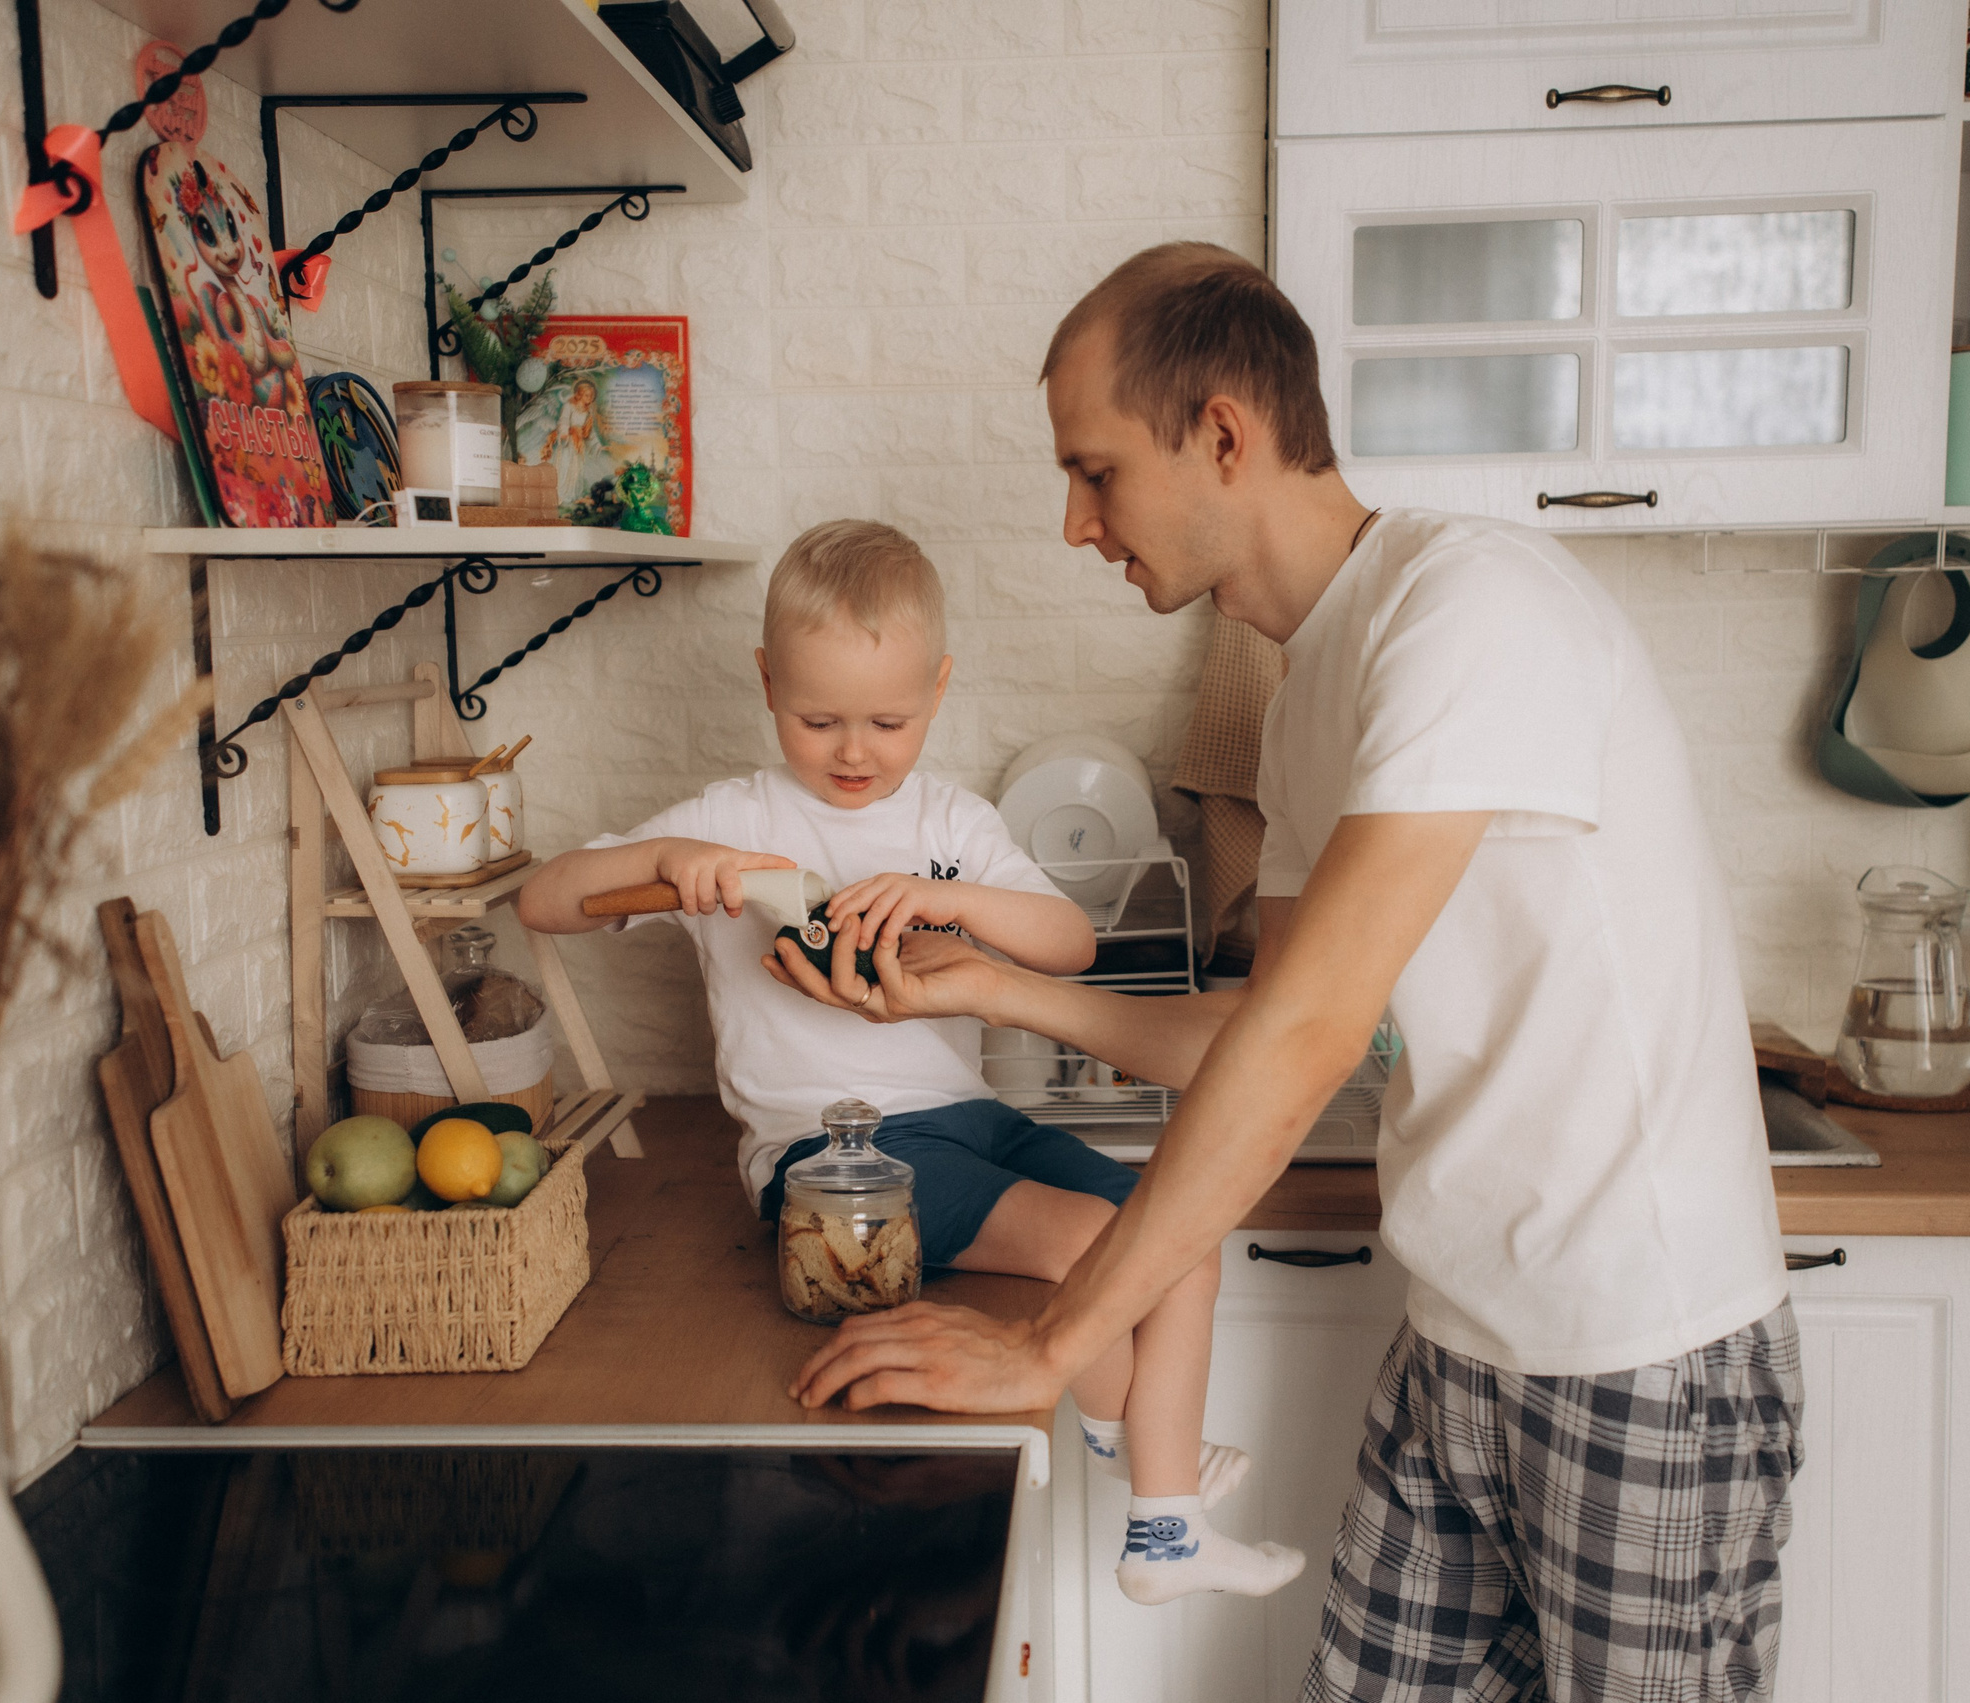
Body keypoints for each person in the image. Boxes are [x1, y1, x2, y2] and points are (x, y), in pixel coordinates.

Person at [767, 247, 1804, 1702]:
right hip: (1465, 1330)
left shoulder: (1468, 609)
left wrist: (1060, 1340)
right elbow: (1268, 1018)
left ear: (1223, 436)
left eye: (1096, 471)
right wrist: (983, 986)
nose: (1074, 524)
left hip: (1638, 1342)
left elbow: (1311, 1034)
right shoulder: (1318, 689)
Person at [516, 518, 1306, 1604]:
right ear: (764, 683)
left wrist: (946, 897)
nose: (853, 749)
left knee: (1183, 1226)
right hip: (831, 1159)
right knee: (1106, 1242)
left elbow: (1071, 944)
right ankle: (1153, 1496)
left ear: (937, 690)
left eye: (887, 719)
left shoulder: (949, 819)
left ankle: (1150, 1487)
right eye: (817, 717)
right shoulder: (735, 821)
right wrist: (666, 859)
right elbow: (544, 899)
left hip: (968, 1120)